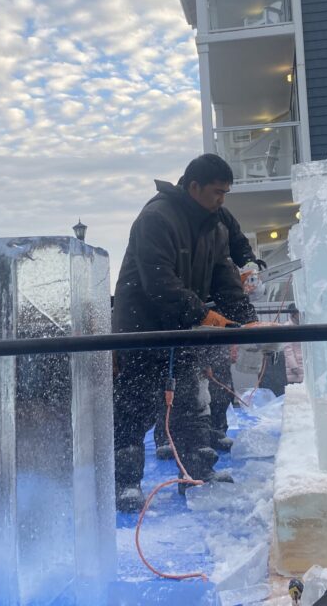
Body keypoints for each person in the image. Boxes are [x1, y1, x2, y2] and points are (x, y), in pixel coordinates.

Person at [112, 154, 257, 512]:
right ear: (194, 187)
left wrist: (247, 320)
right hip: (142, 330)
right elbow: (158, 282)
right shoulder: (156, 218)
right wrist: (203, 314)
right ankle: (126, 483)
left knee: (191, 403)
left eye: (225, 193)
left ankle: (196, 471)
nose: (221, 199)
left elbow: (224, 275)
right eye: (216, 192)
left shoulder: (214, 225)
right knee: (136, 406)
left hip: (182, 328)